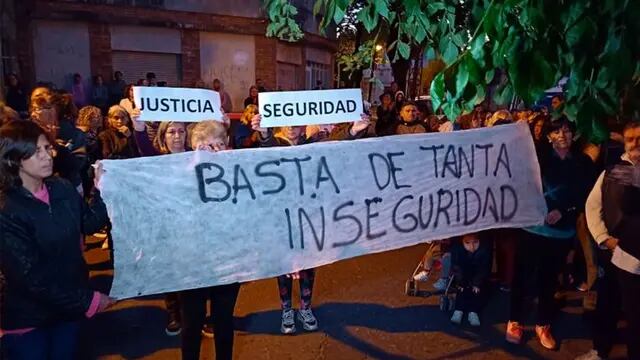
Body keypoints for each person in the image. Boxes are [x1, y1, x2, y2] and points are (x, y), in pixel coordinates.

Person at [0, 120, 114, 359]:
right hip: (29, 320)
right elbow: (31, 277)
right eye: (36, 151)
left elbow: (89, 223)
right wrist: (88, 300)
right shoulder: (7, 210)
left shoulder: (61, 188)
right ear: (14, 159)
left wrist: (104, 190)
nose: (47, 156)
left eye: (47, 148)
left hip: (67, 313)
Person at [251, 112, 370, 335]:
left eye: (296, 123)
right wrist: (264, 133)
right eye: (286, 122)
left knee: (308, 262)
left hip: (309, 215)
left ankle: (305, 307)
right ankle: (286, 309)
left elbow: (335, 147)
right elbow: (265, 146)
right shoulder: (273, 143)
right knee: (285, 265)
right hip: (282, 216)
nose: (291, 127)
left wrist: (354, 130)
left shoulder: (313, 143)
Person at [507, 118, 596, 350]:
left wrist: (564, 210)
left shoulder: (583, 163)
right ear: (548, 136)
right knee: (523, 275)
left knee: (549, 280)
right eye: (556, 131)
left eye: (567, 130)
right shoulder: (536, 159)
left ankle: (543, 323)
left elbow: (585, 196)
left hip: (561, 233)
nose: (562, 135)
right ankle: (515, 319)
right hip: (532, 228)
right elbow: (520, 184)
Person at [577, 121, 640, 360]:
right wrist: (604, 239)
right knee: (607, 305)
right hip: (614, 253)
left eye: (639, 138)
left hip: (637, 258)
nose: (635, 143)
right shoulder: (612, 171)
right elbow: (593, 206)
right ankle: (600, 350)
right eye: (630, 138)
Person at [178, 120, 241, 360]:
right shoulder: (179, 176)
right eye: (204, 147)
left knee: (223, 321)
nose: (212, 152)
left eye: (218, 145)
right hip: (191, 263)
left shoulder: (238, 175)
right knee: (192, 323)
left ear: (227, 147)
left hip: (228, 261)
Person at [450, 233, 491, 327]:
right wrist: (460, 282)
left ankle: (473, 312)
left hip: (476, 278)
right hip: (462, 277)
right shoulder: (458, 250)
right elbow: (456, 268)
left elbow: (483, 269)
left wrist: (477, 283)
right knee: (461, 292)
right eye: (467, 243)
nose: (472, 247)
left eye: (475, 242)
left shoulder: (483, 251)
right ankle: (458, 310)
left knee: (476, 293)